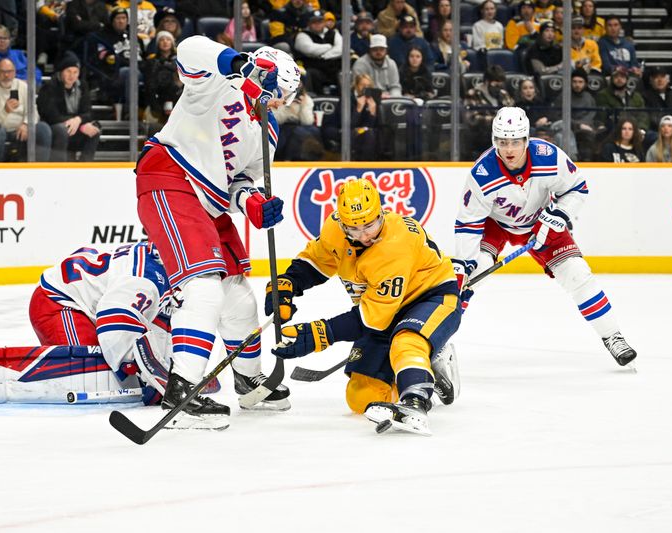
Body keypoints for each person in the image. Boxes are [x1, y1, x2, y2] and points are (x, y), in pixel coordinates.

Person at [134, 36, 300, 429]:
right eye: (278, 95)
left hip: (208, 202)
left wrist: (255, 204)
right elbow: (188, 47)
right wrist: (234, 61)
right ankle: (183, 390)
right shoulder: (217, 81)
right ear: (263, 78)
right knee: (203, 286)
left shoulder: (268, 132)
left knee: (238, 293)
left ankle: (248, 380)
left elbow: (240, 182)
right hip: (169, 178)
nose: (278, 105)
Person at [267, 178, 461, 435]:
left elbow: (372, 319)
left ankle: (415, 401)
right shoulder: (335, 229)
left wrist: (321, 333)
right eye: (354, 229)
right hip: (382, 309)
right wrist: (288, 283)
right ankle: (425, 369)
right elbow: (316, 261)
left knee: (407, 340)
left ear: (381, 213)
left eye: (370, 225)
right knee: (361, 399)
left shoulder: (395, 245)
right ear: (341, 220)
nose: (364, 235)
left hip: (430, 299)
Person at [453, 107, 637, 367]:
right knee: (469, 277)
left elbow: (577, 187)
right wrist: (463, 265)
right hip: (496, 224)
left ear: (526, 140)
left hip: (542, 220)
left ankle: (613, 336)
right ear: (494, 141)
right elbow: (468, 223)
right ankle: (438, 342)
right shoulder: (482, 174)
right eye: (503, 141)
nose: (509, 149)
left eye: (515, 141)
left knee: (577, 273)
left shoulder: (548, 156)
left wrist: (560, 214)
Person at [27, 242, 173, 406]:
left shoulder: (162, 264)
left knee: (118, 371)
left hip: (90, 303)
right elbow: (116, 325)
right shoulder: (148, 276)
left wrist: (167, 371)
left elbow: (158, 327)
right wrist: (144, 372)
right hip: (58, 302)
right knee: (91, 375)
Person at [0, 58, 52, 162]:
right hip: (0, 128)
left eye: (9, 72)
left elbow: (33, 112)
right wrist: (5, 111)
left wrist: (26, 124)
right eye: (3, 72)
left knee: (43, 129)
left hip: (20, 128)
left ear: (14, 73)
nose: (6, 75)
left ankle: (39, 170)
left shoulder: (23, 86)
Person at [37, 52, 100, 162]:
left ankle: (85, 166)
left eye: (75, 72)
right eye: (68, 71)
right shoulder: (49, 87)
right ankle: (59, 167)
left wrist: (78, 120)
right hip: (54, 129)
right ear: (61, 72)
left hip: (75, 126)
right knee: (62, 129)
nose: (72, 76)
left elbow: (88, 112)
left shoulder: (82, 86)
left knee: (95, 128)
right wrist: (78, 124)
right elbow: (52, 116)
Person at [292, 9, 342, 95]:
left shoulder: (333, 33)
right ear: (309, 24)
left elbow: (341, 49)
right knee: (312, 74)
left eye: (320, 21)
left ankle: (343, 100)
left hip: (332, 68)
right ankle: (317, 100)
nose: (317, 24)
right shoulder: (302, 35)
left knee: (343, 72)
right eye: (314, 22)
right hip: (313, 68)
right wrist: (330, 46)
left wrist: (324, 56)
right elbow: (311, 50)